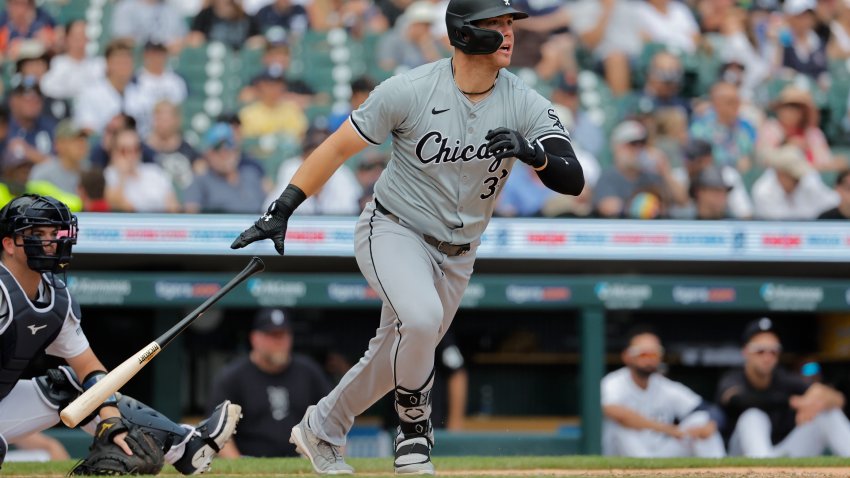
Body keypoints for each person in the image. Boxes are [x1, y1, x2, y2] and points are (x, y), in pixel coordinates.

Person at [230, 0, 585, 473]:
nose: (508, 33)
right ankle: (415, 430)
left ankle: (322, 428)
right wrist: (284, 207)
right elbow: (337, 146)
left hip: (459, 252)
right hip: (394, 227)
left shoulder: (522, 100)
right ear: (463, 32)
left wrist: (534, 153)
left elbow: (572, 177)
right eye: (494, 24)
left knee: (392, 356)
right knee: (420, 320)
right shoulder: (410, 90)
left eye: (509, 23)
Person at [0, 193, 241, 473]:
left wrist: (110, 419)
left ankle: (187, 448)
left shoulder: (56, 297)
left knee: (80, 389)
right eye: (38, 233)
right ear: (9, 243)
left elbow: (89, 368)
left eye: (54, 232)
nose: (51, 241)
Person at [716, 317, 850, 457]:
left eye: (773, 351)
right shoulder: (733, 378)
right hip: (740, 457)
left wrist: (814, 400)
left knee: (828, 413)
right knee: (753, 416)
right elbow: (738, 399)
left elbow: (838, 399)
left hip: (779, 457)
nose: (767, 357)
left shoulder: (784, 379)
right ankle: (764, 471)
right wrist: (792, 402)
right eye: (760, 351)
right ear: (746, 352)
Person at [208, 308, 332, 458]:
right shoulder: (233, 376)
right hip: (250, 461)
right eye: (272, 335)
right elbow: (217, 431)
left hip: (302, 460)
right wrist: (239, 467)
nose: (279, 342)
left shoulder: (309, 372)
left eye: (283, 335)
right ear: (255, 338)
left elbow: (332, 420)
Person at [602, 326, 726, 458]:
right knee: (622, 428)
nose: (649, 359)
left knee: (701, 420)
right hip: (624, 455)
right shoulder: (613, 382)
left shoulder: (665, 386)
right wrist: (670, 430)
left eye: (654, 353)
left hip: (660, 452)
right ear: (627, 356)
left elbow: (708, 409)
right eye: (643, 354)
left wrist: (711, 425)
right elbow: (618, 414)